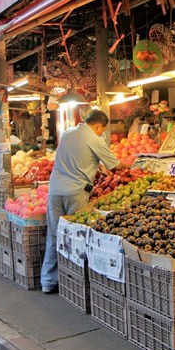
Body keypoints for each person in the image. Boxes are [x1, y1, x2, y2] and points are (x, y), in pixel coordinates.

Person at [40, 110, 129, 294]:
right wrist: (135, 166)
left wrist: (96, 165)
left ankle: (48, 281)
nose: (101, 133)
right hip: (75, 193)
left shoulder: (67, 133)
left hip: (55, 190)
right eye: (102, 130)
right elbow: (116, 165)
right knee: (76, 237)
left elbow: (79, 158)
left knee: (55, 235)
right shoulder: (94, 138)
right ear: (98, 126)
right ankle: (76, 284)